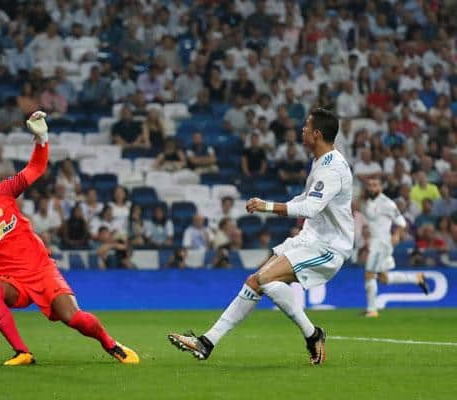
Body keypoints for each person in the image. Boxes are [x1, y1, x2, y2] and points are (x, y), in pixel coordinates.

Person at [0, 111, 138, 365]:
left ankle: (111, 344)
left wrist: (42, 138)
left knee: (73, 318)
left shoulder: (0, 193)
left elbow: (35, 168)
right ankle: (22, 352)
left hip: (42, 269)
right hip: (10, 280)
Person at [168, 109, 352, 366]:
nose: (302, 131)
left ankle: (313, 335)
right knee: (255, 281)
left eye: (306, 127)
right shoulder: (320, 161)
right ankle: (207, 342)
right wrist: (276, 206)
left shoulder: (332, 169)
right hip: (311, 237)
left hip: (329, 246)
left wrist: (267, 206)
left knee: (265, 278)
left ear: (317, 134)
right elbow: (305, 200)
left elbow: (311, 208)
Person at [361, 178, 429, 318]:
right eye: (369, 185)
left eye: (374, 185)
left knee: (369, 274)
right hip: (374, 242)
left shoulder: (387, 203)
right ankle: (417, 278)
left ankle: (372, 310)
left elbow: (402, 222)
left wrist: (397, 234)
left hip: (382, 244)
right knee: (383, 278)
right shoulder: (368, 202)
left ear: (381, 187)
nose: (371, 188)